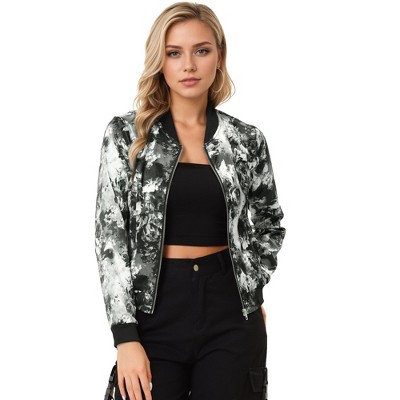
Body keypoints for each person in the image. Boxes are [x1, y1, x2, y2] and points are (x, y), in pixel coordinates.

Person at [94, 2, 286, 399]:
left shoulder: (246, 141)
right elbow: (111, 239)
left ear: (220, 56)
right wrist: (125, 336)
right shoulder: (128, 136)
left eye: (201, 50)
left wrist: (249, 286)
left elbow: (270, 222)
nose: (189, 65)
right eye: (174, 53)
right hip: (153, 315)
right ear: (159, 61)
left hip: (230, 315)